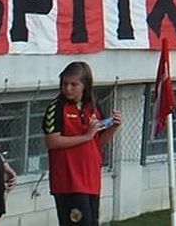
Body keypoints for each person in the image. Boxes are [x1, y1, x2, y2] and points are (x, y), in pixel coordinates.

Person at [42, 60, 120, 226]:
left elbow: (97, 143)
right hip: (69, 182)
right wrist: (85, 136)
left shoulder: (93, 106)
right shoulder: (56, 108)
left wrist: (113, 128)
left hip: (91, 181)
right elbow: (52, 141)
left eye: (73, 84)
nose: (67, 88)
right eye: (64, 84)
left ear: (85, 85)